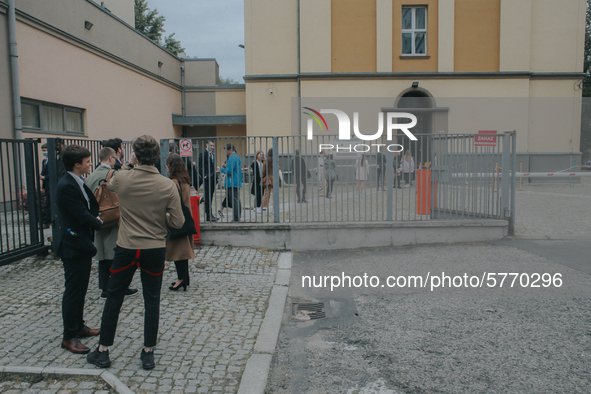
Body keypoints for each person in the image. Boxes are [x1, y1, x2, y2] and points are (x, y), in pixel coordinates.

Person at [87, 135, 184, 370]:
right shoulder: (167, 185)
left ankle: (103, 350)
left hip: (127, 247)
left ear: (135, 155)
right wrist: (164, 218)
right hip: (154, 249)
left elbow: (109, 185)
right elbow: (179, 223)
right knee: (152, 300)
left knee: (114, 297)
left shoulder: (123, 178)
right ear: (158, 156)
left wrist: (130, 164)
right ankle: (148, 352)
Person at [55, 145, 103, 355]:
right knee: (73, 291)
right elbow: (80, 215)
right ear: (77, 164)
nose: (89, 164)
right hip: (72, 246)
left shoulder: (78, 181)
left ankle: (79, 326)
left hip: (81, 244)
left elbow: (87, 206)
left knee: (81, 288)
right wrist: (99, 223)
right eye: (87, 161)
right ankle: (69, 337)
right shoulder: (66, 185)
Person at [84, 147, 138, 299]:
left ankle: (105, 288)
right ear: (110, 159)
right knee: (115, 252)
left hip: (98, 218)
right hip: (113, 217)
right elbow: (127, 179)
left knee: (102, 254)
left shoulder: (90, 176)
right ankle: (118, 286)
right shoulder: (113, 174)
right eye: (114, 158)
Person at [165, 154, 195, 291]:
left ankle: (182, 279)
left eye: (167, 164)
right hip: (186, 218)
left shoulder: (173, 182)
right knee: (182, 252)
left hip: (177, 219)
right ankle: (184, 278)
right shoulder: (185, 180)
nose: (166, 167)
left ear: (172, 166)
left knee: (179, 252)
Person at [220, 143, 243, 222]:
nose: (226, 152)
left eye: (227, 151)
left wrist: (222, 169)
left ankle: (236, 218)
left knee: (234, 200)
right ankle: (238, 217)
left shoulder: (231, 158)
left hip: (231, 181)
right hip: (237, 181)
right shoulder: (237, 157)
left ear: (230, 150)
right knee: (237, 199)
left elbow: (229, 171)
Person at [198, 140, 218, 222]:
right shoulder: (203, 154)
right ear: (207, 145)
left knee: (210, 196)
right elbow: (199, 167)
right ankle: (208, 214)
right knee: (207, 197)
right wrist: (204, 176)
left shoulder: (212, 154)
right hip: (207, 178)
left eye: (213, 146)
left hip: (212, 178)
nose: (212, 147)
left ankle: (210, 214)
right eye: (211, 145)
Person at [260, 148, 281, 212]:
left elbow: (263, 171)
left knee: (266, 193)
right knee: (275, 194)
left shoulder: (266, 161)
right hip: (275, 178)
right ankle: (275, 208)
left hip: (268, 178)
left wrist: (263, 176)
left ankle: (263, 207)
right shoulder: (277, 161)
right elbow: (279, 169)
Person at [40, 143, 51, 229]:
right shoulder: (44, 161)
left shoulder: (53, 160)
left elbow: (54, 174)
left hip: (52, 185)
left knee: (51, 203)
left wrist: (44, 177)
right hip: (47, 186)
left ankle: (48, 221)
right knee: (48, 203)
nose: (44, 152)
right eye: (43, 151)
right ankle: (47, 221)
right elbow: (43, 171)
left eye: (45, 150)